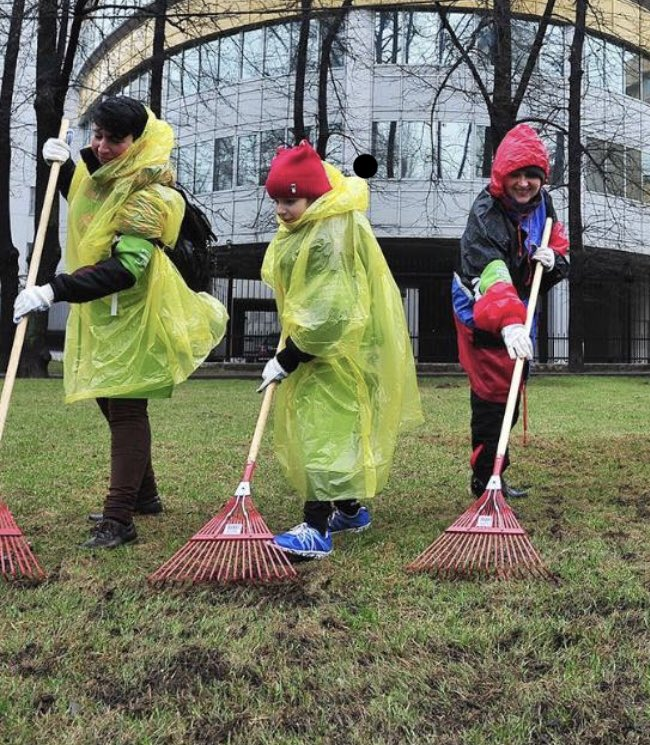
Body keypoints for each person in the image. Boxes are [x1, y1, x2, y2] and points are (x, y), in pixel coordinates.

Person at [17, 96, 228, 548]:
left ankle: (119, 518)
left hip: (135, 314)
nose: (103, 146)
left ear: (138, 141)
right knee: (110, 404)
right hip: (103, 315)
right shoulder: (107, 178)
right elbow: (88, 200)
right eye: (97, 136)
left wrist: (53, 290)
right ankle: (144, 496)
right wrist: (59, 166)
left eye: (115, 139)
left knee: (128, 410)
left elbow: (127, 268)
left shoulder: (147, 195)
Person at [259, 141, 422, 559]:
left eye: (289, 199)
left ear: (312, 195)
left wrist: (288, 357)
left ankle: (316, 528)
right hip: (341, 352)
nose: (281, 209)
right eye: (276, 199)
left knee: (320, 436)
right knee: (338, 432)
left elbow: (330, 316)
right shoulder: (315, 223)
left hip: (336, 354)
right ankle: (349, 511)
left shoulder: (329, 234)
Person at [451, 124, 569, 499]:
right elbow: (490, 272)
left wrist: (556, 262)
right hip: (482, 308)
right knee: (492, 395)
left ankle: (497, 474)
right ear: (502, 175)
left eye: (531, 175)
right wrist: (506, 322)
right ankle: (485, 479)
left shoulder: (544, 206)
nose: (523, 183)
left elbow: (558, 244)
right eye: (515, 174)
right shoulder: (486, 213)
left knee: (512, 391)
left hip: (518, 308)